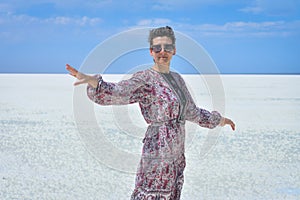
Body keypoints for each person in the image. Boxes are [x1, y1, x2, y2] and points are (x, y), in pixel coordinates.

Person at [66, 26, 235, 200]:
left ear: (174, 50)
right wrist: (95, 82)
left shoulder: (177, 79)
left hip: (176, 156)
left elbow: (191, 112)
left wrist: (220, 120)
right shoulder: (145, 78)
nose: (163, 52)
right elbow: (118, 92)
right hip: (157, 153)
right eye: (157, 48)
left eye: (167, 47)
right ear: (151, 52)